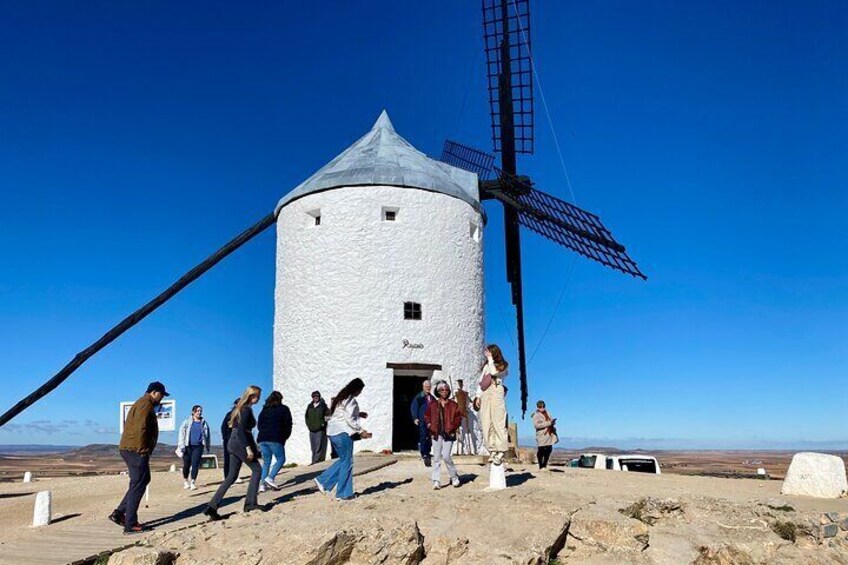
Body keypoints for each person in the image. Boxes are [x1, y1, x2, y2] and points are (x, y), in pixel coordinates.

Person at [108, 381, 168, 534]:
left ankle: (120, 513)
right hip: (135, 449)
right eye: (161, 395)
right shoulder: (145, 404)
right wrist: (142, 450)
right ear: (154, 392)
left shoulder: (143, 403)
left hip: (132, 448)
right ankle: (131, 524)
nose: (162, 399)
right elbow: (141, 427)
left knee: (142, 480)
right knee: (138, 483)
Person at [205, 385, 267, 520]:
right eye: (258, 396)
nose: (259, 399)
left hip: (233, 443)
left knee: (231, 476)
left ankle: (212, 507)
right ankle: (250, 503)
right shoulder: (245, 409)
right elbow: (241, 431)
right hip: (239, 443)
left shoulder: (239, 408)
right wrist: (248, 448)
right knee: (257, 470)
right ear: (252, 396)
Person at [314, 378, 372, 501]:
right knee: (347, 461)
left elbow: (340, 415)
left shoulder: (341, 398)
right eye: (360, 390)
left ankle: (328, 484)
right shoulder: (351, 400)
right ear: (356, 389)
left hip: (332, 432)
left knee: (344, 460)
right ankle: (340, 491)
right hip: (342, 433)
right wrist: (362, 431)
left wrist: (359, 414)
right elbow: (349, 419)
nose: (360, 393)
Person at [475, 344, 509, 466]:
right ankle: (492, 449)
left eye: (488, 351)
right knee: (486, 422)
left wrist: (490, 360)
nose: (486, 353)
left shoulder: (503, 365)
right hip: (486, 392)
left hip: (496, 389)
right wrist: (478, 396)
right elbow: (481, 381)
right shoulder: (486, 366)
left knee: (498, 421)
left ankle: (501, 450)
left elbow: (494, 373)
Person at [425, 380, 463, 489]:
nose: (444, 391)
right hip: (436, 434)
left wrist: (452, 428)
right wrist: (429, 426)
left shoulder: (453, 405)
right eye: (442, 390)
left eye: (446, 390)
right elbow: (427, 416)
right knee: (436, 457)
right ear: (438, 391)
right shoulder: (432, 404)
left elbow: (458, 418)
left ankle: (454, 477)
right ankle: (436, 480)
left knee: (446, 456)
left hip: (448, 433)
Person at [257, 391, 292, 492]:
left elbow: (259, 424)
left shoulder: (264, 410)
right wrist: (284, 437)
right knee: (281, 459)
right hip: (275, 438)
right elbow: (287, 425)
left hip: (262, 438)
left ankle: (262, 485)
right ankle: (270, 478)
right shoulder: (283, 409)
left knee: (266, 462)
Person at [177, 405, 211, 490]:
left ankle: (192, 482)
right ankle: (185, 481)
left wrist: (207, 446)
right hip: (188, 446)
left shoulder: (204, 423)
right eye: (197, 411)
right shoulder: (186, 422)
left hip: (199, 446)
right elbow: (182, 433)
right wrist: (181, 444)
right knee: (186, 464)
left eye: (200, 411)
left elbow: (207, 435)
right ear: (193, 412)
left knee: (195, 464)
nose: (199, 412)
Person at [410, 380, 434, 467]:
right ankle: (424, 453)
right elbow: (414, 407)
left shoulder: (432, 398)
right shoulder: (420, 397)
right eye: (426, 386)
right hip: (423, 420)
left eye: (429, 387)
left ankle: (428, 451)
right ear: (423, 387)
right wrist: (415, 417)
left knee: (430, 437)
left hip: (431, 421)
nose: (428, 388)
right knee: (423, 436)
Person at [532, 400, 558, 471]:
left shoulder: (548, 413)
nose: (542, 408)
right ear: (538, 407)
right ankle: (541, 466)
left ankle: (545, 464)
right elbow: (536, 425)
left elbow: (550, 421)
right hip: (542, 435)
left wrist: (552, 422)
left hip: (549, 434)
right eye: (540, 407)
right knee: (541, 450)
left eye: (543, 406)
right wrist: (549, 423)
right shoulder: (536, 415)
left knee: (549, 449)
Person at [305, 391, 329, 464]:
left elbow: (327, 416)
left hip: (320, 429)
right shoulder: (310, 406)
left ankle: (316, 461)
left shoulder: (323, 406)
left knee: (318, 445)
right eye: (314, 396)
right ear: (312, 397)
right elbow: (306, 416)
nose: (316, 398)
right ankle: (314, 460)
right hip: (311, 429)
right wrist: (309, 425)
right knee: (313, 446)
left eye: (317, 396)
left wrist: (322, 424)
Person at [453, 379, 474, 455]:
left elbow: (470, 401)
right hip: (459, 412)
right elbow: (452, 398)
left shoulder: (465, 393)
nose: (460, 385)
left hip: (464, 411)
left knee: (467, 430)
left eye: (461, 383)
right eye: (459, 383)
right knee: (458, 430)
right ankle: (458, 451)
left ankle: (469, 451)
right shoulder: (457, 393)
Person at [220, 399, 238, 481]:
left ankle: (235, 475)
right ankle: (226, 475)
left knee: (237, 458)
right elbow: (223, 427)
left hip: (238, 440)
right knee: (227, 458)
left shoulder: (243, 414)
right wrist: (225, 437)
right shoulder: (229, 415)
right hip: (228, 439)